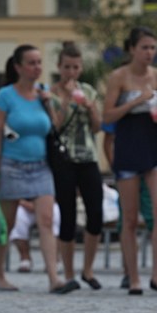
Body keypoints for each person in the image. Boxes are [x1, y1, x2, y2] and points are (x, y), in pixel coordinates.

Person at [0, 44, 75, 294]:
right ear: (18, 67)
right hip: (11, 165)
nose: (37, 67)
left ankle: (54, 278)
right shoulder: (6, 95)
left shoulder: (44, 93)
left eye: (39, 62)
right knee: (8, 222)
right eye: (32, 63)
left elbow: (55, 127)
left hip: (41, 167)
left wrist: (53, 103)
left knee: (46, 220)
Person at [103, 26, 157, 295]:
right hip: (128, 146)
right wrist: (135, 102)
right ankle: (133, 277)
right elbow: (107, 116)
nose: (149, 53)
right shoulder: (118, 77)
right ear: (132, 49)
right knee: (129, 218)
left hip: (154, 145)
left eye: (153, 48)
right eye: (144, 47)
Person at [49, 42, 103, 291]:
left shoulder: (89, 91)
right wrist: (68, 99)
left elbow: (97, 127)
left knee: (95, 215)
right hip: (65, 160)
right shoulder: (52, 93)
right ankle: (69, 272)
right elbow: (56, 126)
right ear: (60, 67)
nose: (71, 72)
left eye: (76, 67)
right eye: (67, 67)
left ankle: (88, 269)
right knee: (68, 217)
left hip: (89, 159)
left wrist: (90, 106)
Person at [102, 121, 154, 289]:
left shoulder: (152, 102)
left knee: (155, 219)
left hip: (149, 169)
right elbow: (107, 141)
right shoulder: (121, 106)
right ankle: (129, 272)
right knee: (126, 221)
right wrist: (115, 166)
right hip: (126, 168)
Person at [10, 199, 61, 273]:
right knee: (18, 217)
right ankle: (25, 258)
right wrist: (24, 203)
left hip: (48, 203)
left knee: (56, 213)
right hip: (23, 204)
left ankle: (54, 260)